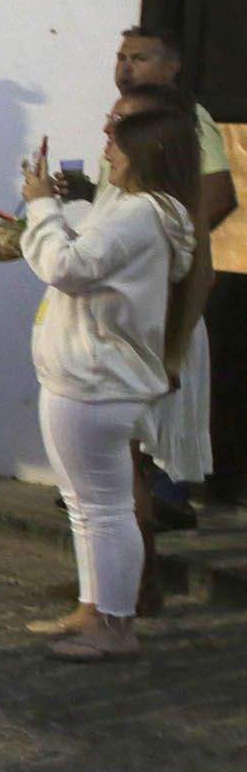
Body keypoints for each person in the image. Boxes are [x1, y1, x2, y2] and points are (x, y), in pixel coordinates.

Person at [18, 111, 198, 661]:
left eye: (118, 145)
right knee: (86, 506)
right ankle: (93, 609)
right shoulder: (135, 209)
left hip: (96, 381)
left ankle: (116, 626)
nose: (108, 153)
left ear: (145, 155)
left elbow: (66, 266)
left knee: (106, 509)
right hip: (87, 376)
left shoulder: (141, 213)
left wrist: (41, 207)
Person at [105, 28, 235, 534]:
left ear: (172, 66)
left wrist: (168, 248)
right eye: (121, 57)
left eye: (140, 57)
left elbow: (217, 195)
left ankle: (160, 502)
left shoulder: (185, 119)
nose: (126, 66)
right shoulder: (129, 121)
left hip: (156, 298)